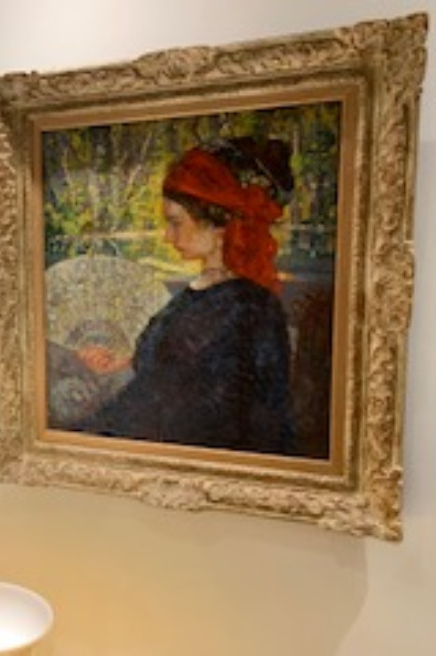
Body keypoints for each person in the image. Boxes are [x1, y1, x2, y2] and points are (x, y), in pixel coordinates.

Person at [72, 137, 298, 455]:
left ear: (219, 225)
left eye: (175, 223)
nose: (167, 236)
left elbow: (264, 419)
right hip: (137, 432)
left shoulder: (254, 309)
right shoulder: (196, 292)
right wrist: (119, 363)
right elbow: (173, 367)